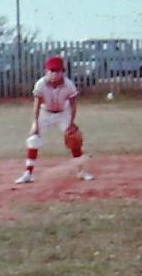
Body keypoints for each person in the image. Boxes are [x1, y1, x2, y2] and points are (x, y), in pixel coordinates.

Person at [16, 55, 92, 184]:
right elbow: (37, 104)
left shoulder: (69, 85)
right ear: (46, 71)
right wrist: (35, 123)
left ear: (63, 72)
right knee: (33, 139)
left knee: (74, 139)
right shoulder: (41, 84)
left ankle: (81, 172)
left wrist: (71, 123)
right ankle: (28, 173)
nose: (55, 74)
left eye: (58, 71)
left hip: (63, 113)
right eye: (52, 71)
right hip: (45, 113)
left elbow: (73, 105)